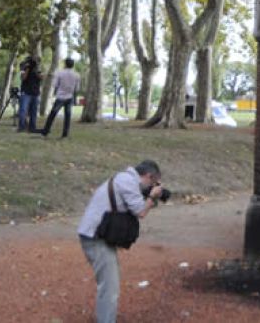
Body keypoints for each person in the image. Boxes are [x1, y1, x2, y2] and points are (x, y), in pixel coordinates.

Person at [77, 160, 165, 323]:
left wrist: (151, 197)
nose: (151, 186)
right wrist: (152, 196)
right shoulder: (128, 182)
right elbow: (140, 211)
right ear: (148, 176)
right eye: (153, 182)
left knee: (110, 282)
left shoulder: (125, 179)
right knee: (110, 287)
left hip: (96, 236)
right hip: (95, 238)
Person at [41, 58, 80, 139]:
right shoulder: (76, 75)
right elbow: (77, 89)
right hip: (69, 96)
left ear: (65, 64)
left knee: (53, 114)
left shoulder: (59, 73)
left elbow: (54, 84)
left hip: (60, 96)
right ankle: (65, 134)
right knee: (67, 115)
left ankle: (46, 131)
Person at [17, 57, 42, 133]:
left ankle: (32, 127)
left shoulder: (37, 70)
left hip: (35, 93)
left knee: (33, 111)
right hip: (26, 93)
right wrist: (28, 69)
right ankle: (22, 126)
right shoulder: (24, 69)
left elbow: (41, 78)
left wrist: (35, 71)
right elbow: (23, 78)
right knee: (23, 110)